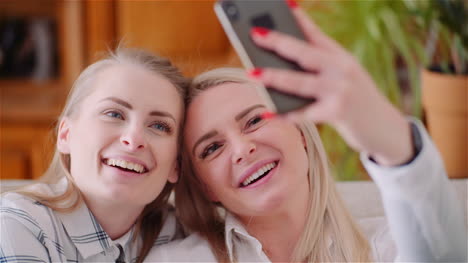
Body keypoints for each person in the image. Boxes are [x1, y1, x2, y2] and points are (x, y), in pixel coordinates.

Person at [149, 3, 467, 262]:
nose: (242, 148)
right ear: (206, 188)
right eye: (211, 148)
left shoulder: (386, 247)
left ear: (301, 132)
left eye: (254, 121)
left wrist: (391, 144)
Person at [0, 48, 189, 262]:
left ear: (176, 164)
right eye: (114, 114)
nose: (134, 139)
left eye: (159, 126)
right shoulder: (17, 223)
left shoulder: (180, 235)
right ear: (66, 135)